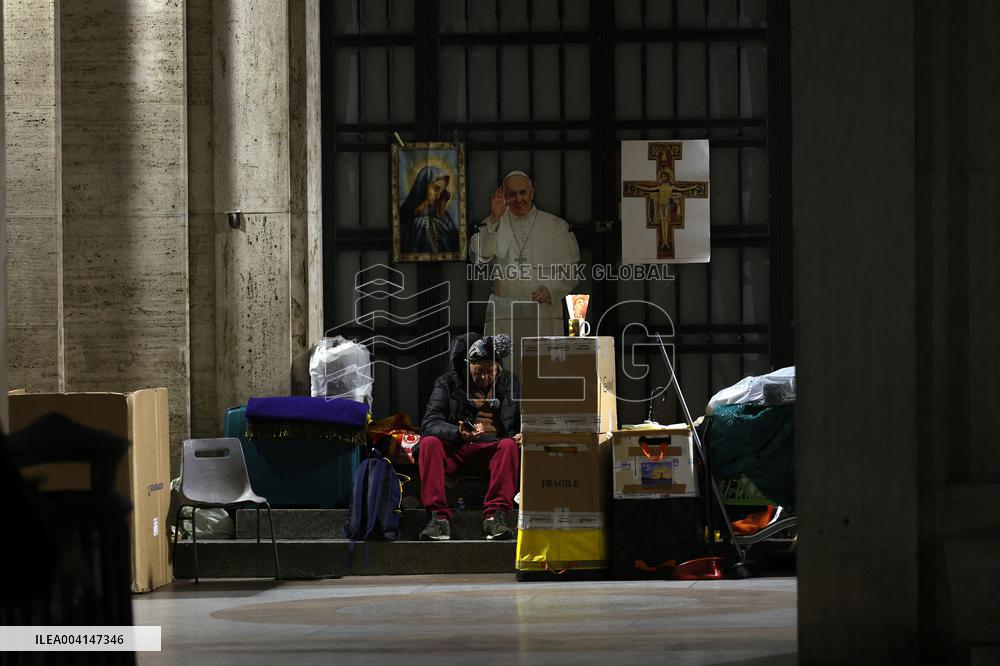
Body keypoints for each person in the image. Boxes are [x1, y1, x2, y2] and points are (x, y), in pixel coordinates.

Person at [469, 171, 581, 371]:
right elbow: (479, 256)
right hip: (505, 309)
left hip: (542, 310)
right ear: (504, 196)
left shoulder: (555, 226)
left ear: (532, 193)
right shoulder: (493, 223)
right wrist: (494, 219)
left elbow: (571, 271)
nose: (518, 199)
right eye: (512, 194)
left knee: (541, 370)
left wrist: (551, 289)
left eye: (523, 192)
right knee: (505, 368)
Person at [417, 333, 520, 541]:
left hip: (490, 450)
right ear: (468, 366)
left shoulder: (509, 382)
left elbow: (522, 419)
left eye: (490, 371)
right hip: (456, 448)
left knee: (509, 445)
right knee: (428, 443)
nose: (484, 377)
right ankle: (438, 519)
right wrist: (458, 432)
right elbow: (430, 422)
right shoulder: (447, 383)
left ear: (498, 368)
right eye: (478, 371)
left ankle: (495, 517)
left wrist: (521, 434)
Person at [399, 165, 460, 254]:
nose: (438, 196)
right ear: (423, 186)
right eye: (435, 189)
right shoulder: (406, 215)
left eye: (441, 192)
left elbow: (455, 241)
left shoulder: (444, 216)